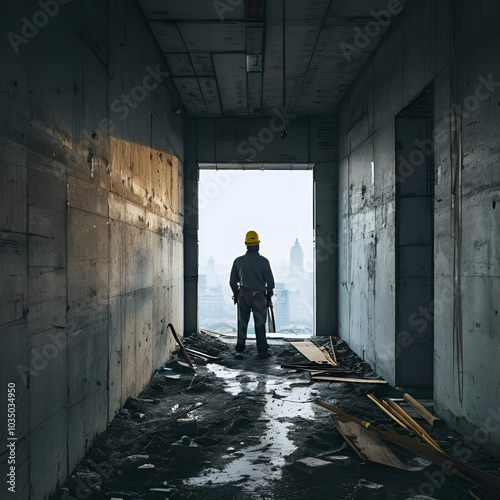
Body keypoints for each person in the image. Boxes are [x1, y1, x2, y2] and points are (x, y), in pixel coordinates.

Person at [229, 230, 275, 359]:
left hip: (243, 296)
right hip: (259, 297)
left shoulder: (238, 261)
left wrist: (236, 294)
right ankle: (262, 351)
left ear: (246, 245)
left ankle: (239, 349)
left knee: (242, 322)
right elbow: (270, 282)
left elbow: (233, 281)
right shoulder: (264, 261)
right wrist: (269, 296)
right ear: (258, 245)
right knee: (260, 323)